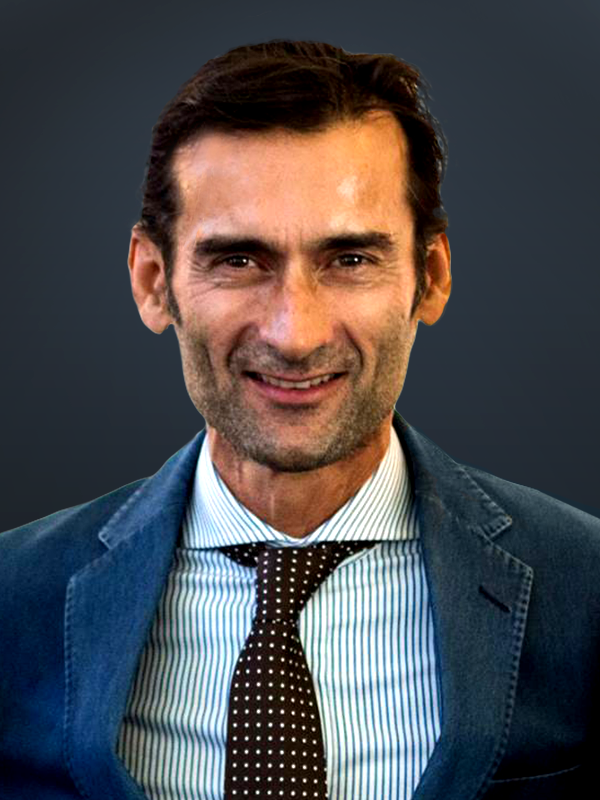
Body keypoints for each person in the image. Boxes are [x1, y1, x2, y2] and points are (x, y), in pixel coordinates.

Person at [0, 39, 597, 800]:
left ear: (431, 276)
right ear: (153, 281)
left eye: (350, 259)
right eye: (239, 260)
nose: (295, 334)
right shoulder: (13, 598)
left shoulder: (586, 590)